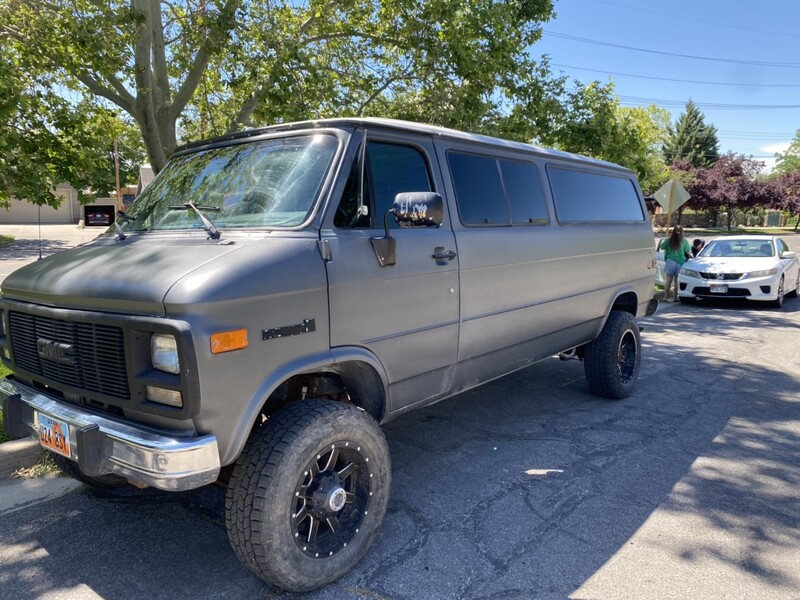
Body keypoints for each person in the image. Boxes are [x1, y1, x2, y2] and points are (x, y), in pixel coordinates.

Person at [659, 225, 691, 302]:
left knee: (668, 280)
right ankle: (675, 297)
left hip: (670, 261)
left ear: (673, 232)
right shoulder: (684, 241)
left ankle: (665, 297)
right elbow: (688, 252)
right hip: (680, 262)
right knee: (676, 281)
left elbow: (662, 247)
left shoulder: (669, 240)